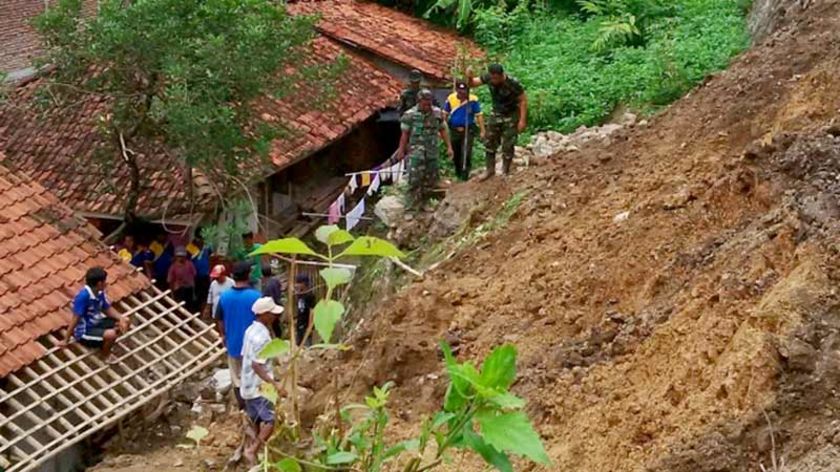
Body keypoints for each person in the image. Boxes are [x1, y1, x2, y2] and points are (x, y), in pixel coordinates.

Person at [240, 297, 285, 464]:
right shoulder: (263, 337)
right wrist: (275, 384)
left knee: (257, 419)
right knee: (270, 420)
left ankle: (253, 453)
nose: (275, 317)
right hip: (259, 386)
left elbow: (245, 356)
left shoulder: (250, 330)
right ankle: (253, 450)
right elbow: (257, 365)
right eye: (272, 314)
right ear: (264, 315)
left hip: (247, 384)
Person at [396, 89, 454, 209]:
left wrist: (449, 147)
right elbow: (405, 134)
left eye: (429, 103)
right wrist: (401, 150)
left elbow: (443, 129)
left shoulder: (437, 113)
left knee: (430, 178)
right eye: (425, 103)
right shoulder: (410, 115)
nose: (428, 106)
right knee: (415, 178)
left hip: (431, 150)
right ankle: (411, 206)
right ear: (419, 101)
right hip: (416, 151)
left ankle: (424, 203)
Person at [467, 64, 528, 178]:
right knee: (489, 141)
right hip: (496, 113)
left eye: (496, 78)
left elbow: (523, 101)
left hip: (511, 115)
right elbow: (472, 84)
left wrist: (522, 121)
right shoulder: (488, 77)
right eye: (492, 78)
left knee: (508, 144)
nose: (493, 80)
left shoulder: (513, 84)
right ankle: (490, 170)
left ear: (501, 75)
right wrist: (469, 77)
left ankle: (505, 171)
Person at [217, 261, 262, 408]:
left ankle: (242, 406)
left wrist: (223, 335)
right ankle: (254, 407)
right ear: (248, 275)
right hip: (253, 345)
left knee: (236, 377)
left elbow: (220, 319)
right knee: (253, 375)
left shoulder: (224, 297)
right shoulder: (256, 297)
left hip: (233, 343)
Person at [62, 267, 131, 363]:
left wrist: (122, 318)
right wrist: (66, 339)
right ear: (99, 283)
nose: (106, 283)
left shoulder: (99, 292)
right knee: (112, 335)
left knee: (125, 321)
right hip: (85, 332)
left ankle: (103, 341)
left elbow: (106, 308)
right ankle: (105, 355)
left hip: (97, 324)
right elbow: (75, 319)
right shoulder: (83, 297)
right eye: (104, 281)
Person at [444, 81, 485, 181]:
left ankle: (465, 174)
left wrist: (482, 130)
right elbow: (445, 114)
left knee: (466, 152)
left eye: (464, 91)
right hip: (454, 130)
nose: (462, 93)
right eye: (460, 91)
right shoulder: (451, 98)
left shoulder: (473, 100)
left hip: (468, 129)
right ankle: (458, 172)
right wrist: (442, 128)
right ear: (457, 90)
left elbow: (479, 115)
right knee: (456, 152)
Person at [168, 246, 197, 312]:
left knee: (190, 306)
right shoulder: (173, 267)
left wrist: (194, 291)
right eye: (179, 256)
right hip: (179, 289)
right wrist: (172, 294)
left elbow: (194, 275)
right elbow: (170, 281)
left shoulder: (189, 264)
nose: (180, 258)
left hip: (189, 288)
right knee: (180, 307)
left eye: (182, 256)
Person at [188, 232, 212, 312]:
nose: (200, 240)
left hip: (205, 275)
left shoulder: (207, 248)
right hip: (194, 277)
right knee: (195, 297)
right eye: (198, 238)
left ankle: (203, 313)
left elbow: (211, 258)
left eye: (202, 238)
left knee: (205, 296)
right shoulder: (190, 248)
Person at [261, 263, 285, 338]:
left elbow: (267, 298)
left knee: (273, 326)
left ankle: (277, 339)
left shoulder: (266, 285)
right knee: (276, 325)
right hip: (278, 304)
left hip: (271, 307)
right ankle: (280, 338)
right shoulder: (275, 281)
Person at [293, 274, 316, 346]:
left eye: (298, 283)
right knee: (298, 344)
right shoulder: (300, 295)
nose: (296, 285)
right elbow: (300, 309)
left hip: (306, 324)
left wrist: (310, 326)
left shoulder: (309, 296)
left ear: (304, 284)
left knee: (307, 344)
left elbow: (312, 311)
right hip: (300, 324)